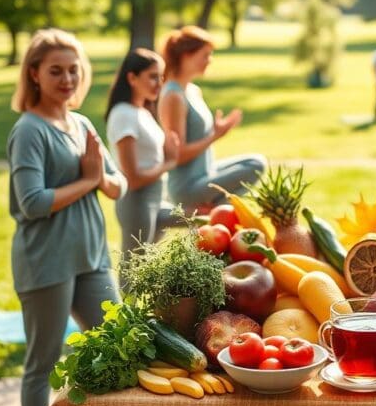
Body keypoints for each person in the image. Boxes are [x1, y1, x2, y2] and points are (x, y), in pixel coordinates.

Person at [7, 29, 126, 406]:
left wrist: (102, 179)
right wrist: (90, 179)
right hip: (47, 262)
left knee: (117, 345)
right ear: (34, 74)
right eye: (56, 71)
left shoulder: (80, 123)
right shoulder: (28, 130)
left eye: (74, 70)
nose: (67, 79)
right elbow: (33, 202)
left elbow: (118, 183)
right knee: (42, 364)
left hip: (91, 258)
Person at [158, 26, 265, 211]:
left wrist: (215, 130)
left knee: (254, 161)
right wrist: (215, 136)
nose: (210, 60)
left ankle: (213, 211)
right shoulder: (173, 96)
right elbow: (178, 155)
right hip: (187, 187)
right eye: (205, 55)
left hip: (205, 174)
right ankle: (211, 213)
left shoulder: (192, 90)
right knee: (256, 165)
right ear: (186, 55)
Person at [105, 48, 180, 264]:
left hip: (156, 199)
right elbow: (133, 179)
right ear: (132, 77)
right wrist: (168, 163)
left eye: (162, 76)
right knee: (133, 271)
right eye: (153, 76)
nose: (159, 83)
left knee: (147, 269)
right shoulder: (123, 115)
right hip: (137, 203)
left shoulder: (143, 111)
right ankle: (119, 300)